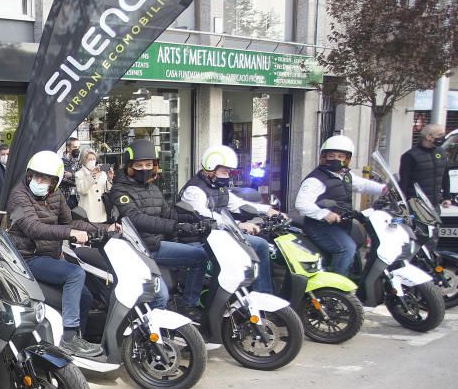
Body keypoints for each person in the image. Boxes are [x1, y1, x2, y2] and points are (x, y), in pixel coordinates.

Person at [7, 150, 107, 357]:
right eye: (36, 175)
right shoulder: (18, 196)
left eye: (46, 178)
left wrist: (104, 228)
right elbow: (33, 228)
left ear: (56, 182)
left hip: (49, 256)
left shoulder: (55, 195)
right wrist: (71, 234)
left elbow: (69, 222)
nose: (39, 180)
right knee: (75, 274)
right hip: (27, 258)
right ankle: (69, 338)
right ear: (29, 174)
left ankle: (78, 341)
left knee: (86, 296)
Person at [110, 139, 209, 319]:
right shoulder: (119, 190)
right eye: (139, 165)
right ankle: (151, 336)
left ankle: (188, 304)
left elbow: (168, 213)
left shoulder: (153, 189)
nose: (144, 168)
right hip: (137, 251)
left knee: (200, 257)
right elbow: (136, 219)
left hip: (155, 246)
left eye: (149, 164)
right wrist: (177, 227)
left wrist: (197, 220)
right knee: (160, 296)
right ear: (129, 166)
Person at [180, 145, 282, 294]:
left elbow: (237, 204)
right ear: (210, 168)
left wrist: (268, 210)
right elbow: (204, 214)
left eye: (228, 172)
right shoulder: (195, 190)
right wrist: (239, 225)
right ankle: (263, 294)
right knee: (260, 245)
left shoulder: (218, 187)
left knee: (261, 241)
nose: (227, 176)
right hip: (199, 236)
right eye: (224, 171)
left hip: (218, 234)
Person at [295, 133, 387, 276]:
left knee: (358, 241)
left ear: (347, 159)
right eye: (331, 156)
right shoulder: (316, 179)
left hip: (341, 224)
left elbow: (363, 185)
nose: (336, 159)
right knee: (346, 248)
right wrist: (324, 214)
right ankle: (337, 289)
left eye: (340, 156)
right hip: (320, 226)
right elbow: (301, 203)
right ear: (324, 157)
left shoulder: (345, 176)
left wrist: (385, 190)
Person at [399, 123, 451, 207]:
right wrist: (402, 201)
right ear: (428, 137)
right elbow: (404, 181)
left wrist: (447, 197)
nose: (442, 138)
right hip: (416, 205)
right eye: (440, 135)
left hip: (435, 204)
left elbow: (444, 176)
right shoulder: (410, 156)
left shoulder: (441, 153)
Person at [74, 148, 112, 223]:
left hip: (102, 211)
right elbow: (82, 190)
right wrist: (92, 175)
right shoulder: (79, 174)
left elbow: (107, 190)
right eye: (89, 159)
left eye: (94, 159)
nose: (92, 161)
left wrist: (110, 179)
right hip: (88, 212)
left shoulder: (102, 173)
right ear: (84, 160)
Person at [60, 137, 83, 209]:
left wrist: (71, 175)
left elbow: (83, 178)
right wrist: (77, 179)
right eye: (75, 147)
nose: (77, 150)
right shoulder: (60, 162)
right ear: (68, 148)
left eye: (78, 147)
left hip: (78, 198)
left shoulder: (80, 162)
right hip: (65, 198)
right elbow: (62, 179)